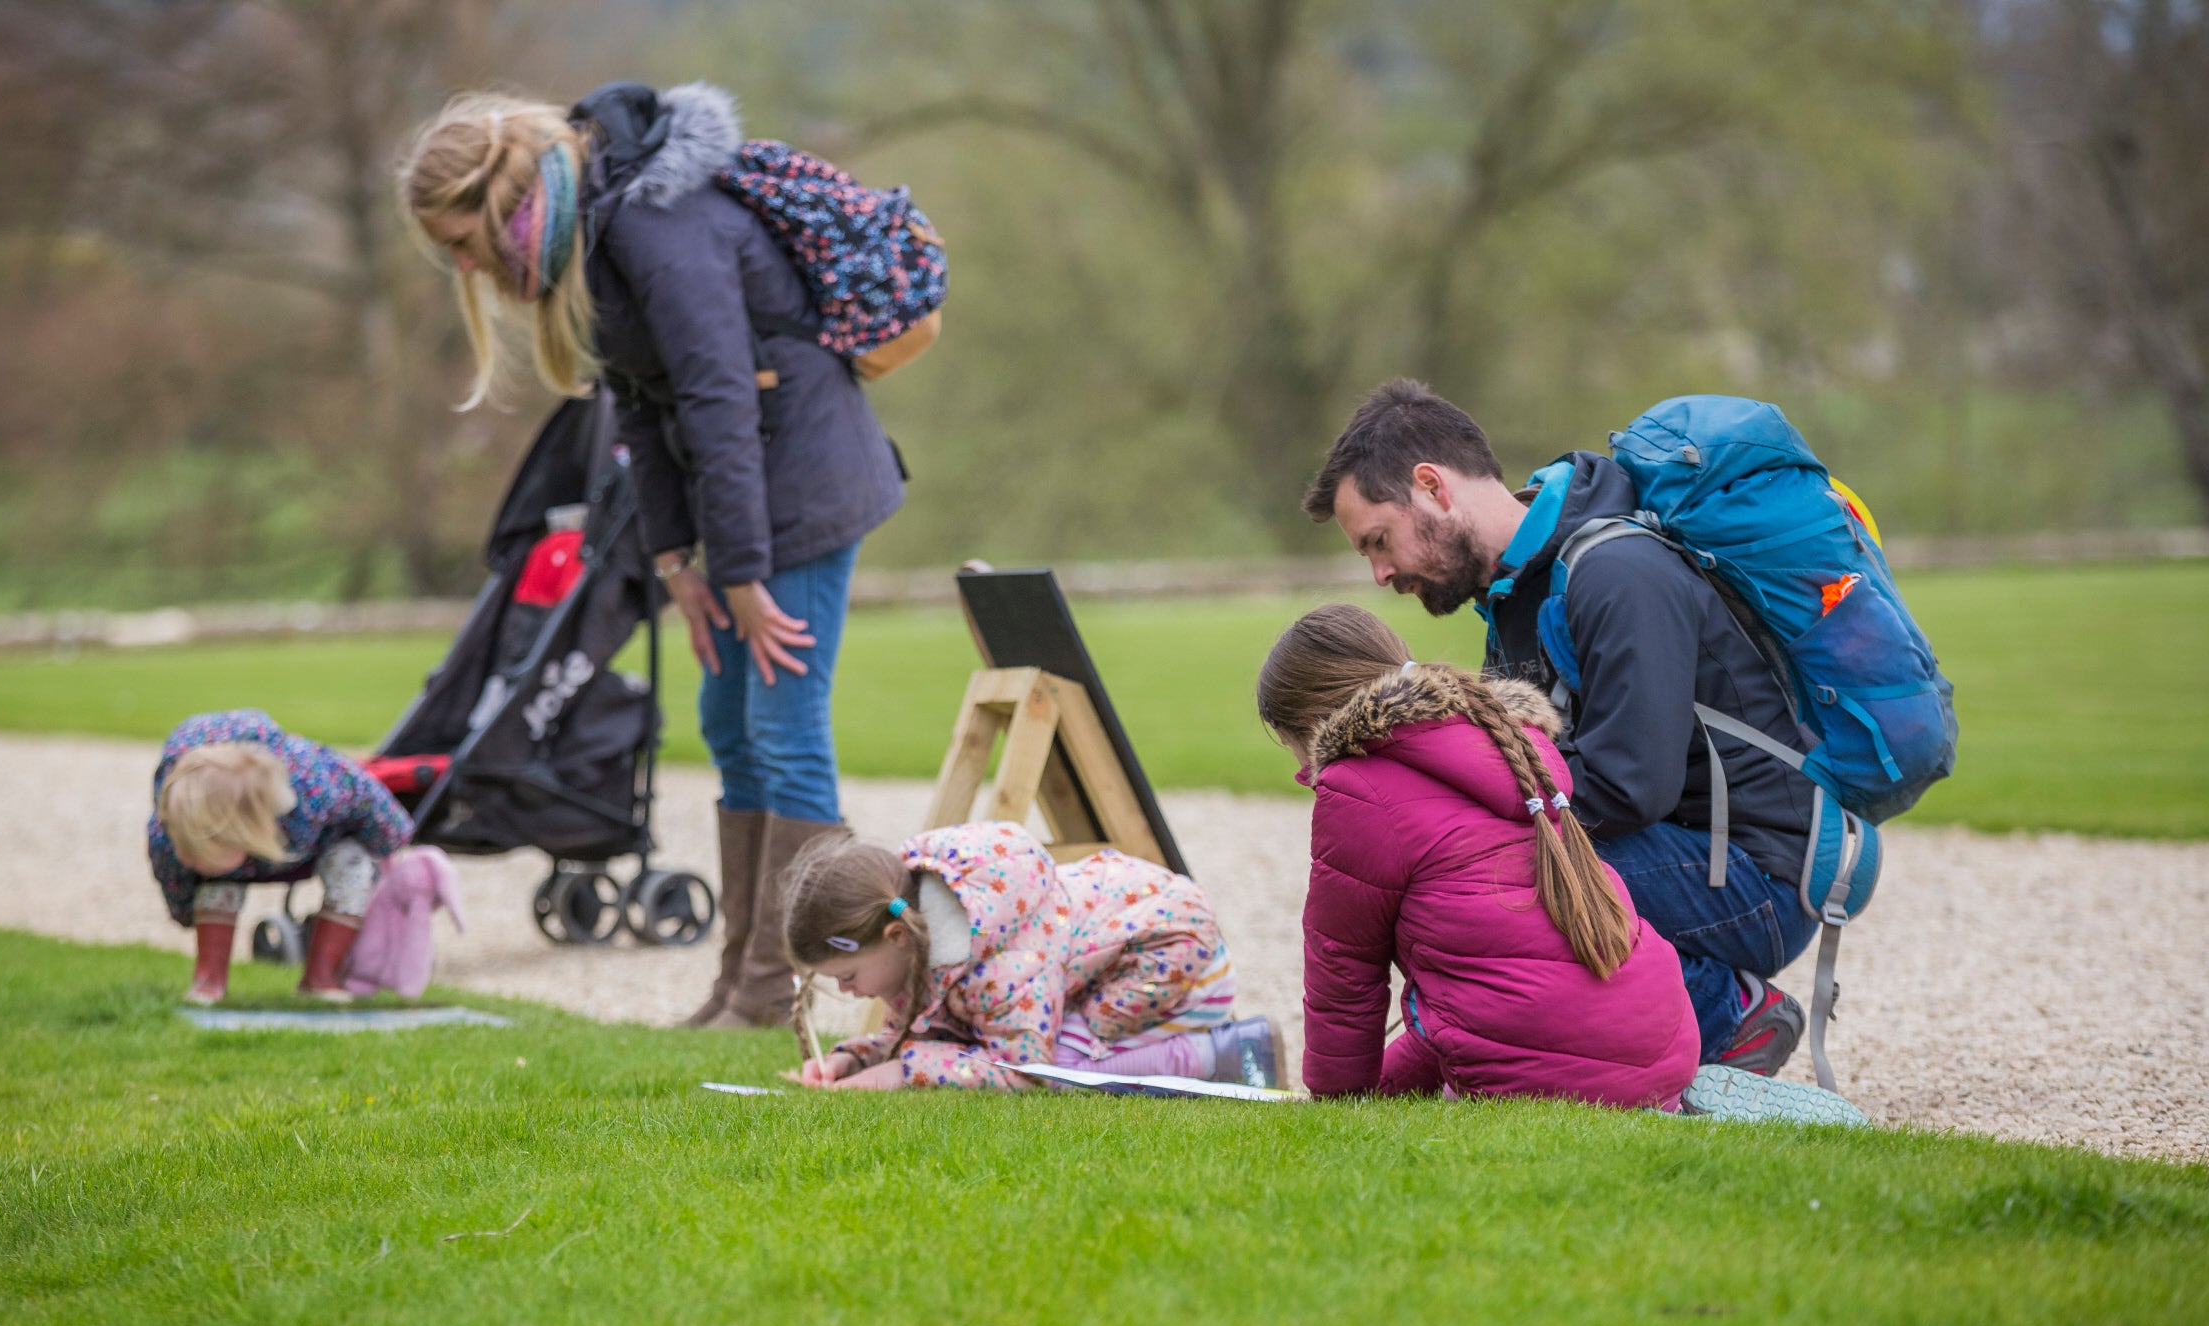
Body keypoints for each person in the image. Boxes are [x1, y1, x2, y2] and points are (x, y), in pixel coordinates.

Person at [399, 80, 905, 1031]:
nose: (462, 265)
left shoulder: (651, 225)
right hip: (743, 496)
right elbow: (637, 402)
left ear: (496, 204)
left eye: (458, 242)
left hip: (802, 479)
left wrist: (743, 574)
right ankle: (742, 980)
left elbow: (718, 399)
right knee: (727, 718)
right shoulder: (587, 233)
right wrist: (677, 558)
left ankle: (781, 988)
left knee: (784, 727)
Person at [1302, 380, 1818, 1076]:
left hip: (1760, 875)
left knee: (1478, 881)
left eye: (1378, 540)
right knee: (1465, 866)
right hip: (1686, 853)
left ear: (1432, 487)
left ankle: (1733, 1011)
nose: (1379, 571)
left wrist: (1462, 834)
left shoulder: (1617, 570)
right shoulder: (1516, 593)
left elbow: (1632, 785)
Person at [1258, 605, 1699, 1106]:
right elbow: (1489, 979)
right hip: (1660, 1049)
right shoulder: (1509, 740)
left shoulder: (1357, 786)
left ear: (1310, 724)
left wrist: (1337, 1101)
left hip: (1544, 1075)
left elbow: (1343, 968)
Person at [780, 823, 1285, 1091]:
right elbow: (932, 1032)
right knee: (1046, 1049)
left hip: (1177, 962)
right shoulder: (922, 940)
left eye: (846, 976)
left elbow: (1023, 1069)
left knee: (1064, 1067)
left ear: (895, 936)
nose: (847, 991)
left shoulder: (1001, 962)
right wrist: (858, 1057)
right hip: (1132, 956)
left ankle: (1226, 1055)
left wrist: (901, 1072)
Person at [149, 711, 414, 1006]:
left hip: (313, 844)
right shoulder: (171, 826)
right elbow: (171, 875)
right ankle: (208, 982)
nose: (191, 862)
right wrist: (184, 911)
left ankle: (321, 979)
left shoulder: (313, 785)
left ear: (245, 832)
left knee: (353, 866)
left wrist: (388, 843)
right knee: (215, 883)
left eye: (202, 854)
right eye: (188, 853)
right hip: (246, 850)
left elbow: (369, 799)